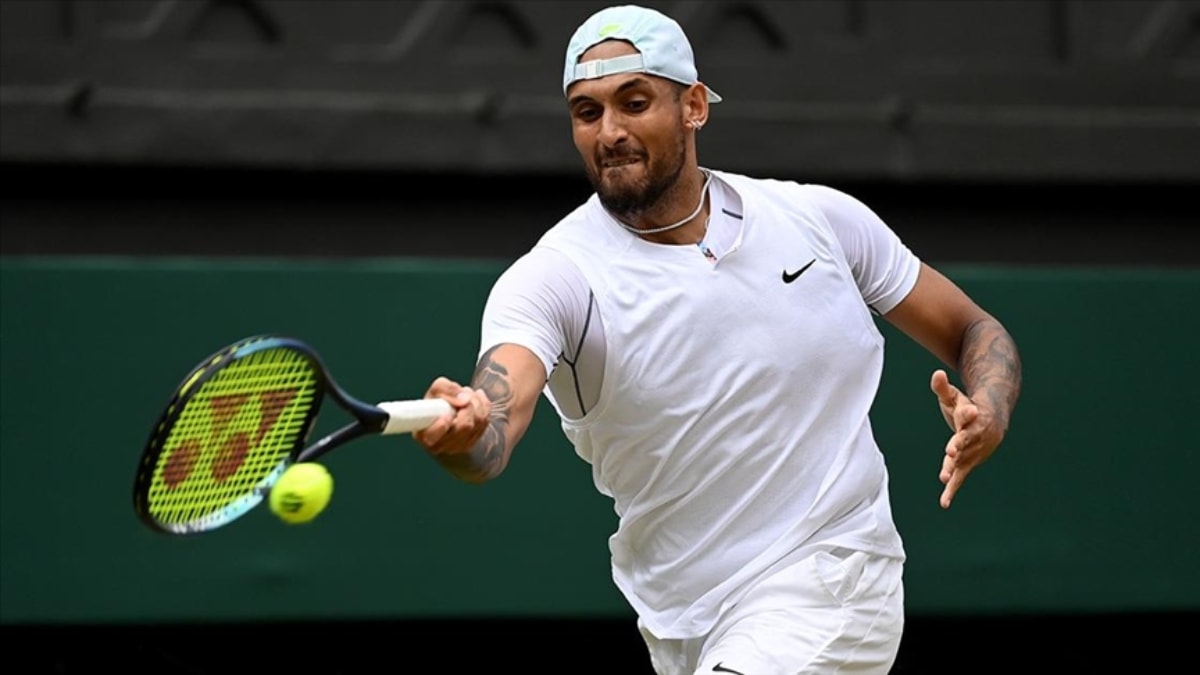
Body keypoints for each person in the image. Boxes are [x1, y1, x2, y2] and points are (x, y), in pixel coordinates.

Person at [412, 4, 1022, 674]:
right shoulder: (553, 279)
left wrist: (990, 408)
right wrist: (469, 434)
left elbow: (973, 328)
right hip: (683, 621)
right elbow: (496, 424)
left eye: (634, 103)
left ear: (694, 106)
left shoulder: (819, 220)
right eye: (587, 112)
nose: (610, 132)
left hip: (834, 580)